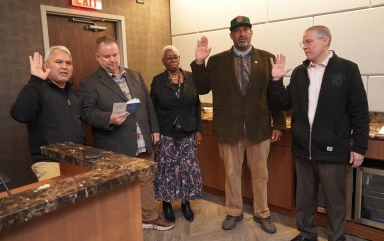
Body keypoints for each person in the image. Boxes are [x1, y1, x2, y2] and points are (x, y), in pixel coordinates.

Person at [270, 25, 370, 241]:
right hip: (303, 148)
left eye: (308, 42)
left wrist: (360, 147)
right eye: (303, 43)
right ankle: (307, 233)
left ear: (325, 41)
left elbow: (359, 111)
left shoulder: (347, 70)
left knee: (334, 199)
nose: (304, 47)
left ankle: (337, 237)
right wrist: (277, 81)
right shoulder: (299, 72)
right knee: (304, 197)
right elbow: (285, 103)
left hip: (332, 148)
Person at [190, 16, 286, 234]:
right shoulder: (216, 61)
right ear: (231, 35)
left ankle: (263, 212)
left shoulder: (267, 58)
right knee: (231, 174)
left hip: (259, 128)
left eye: (246, 29)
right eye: (237, 30)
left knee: (261, 175)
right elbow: (202, 88)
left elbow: (274, 96)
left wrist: (278, 123)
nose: (242, 34)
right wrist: (198, 63)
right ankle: (234, 211)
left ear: (251, 33)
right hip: (229, 128)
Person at [78, 36, 174, 231]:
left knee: (146, 179)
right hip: (115, 142)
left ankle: (149, 217)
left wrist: (154, 129)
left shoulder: (135, 75)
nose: (112, 60)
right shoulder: (89, 83)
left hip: (142, 138)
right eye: (106, 56)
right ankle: (122, 223)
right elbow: (86, 113)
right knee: (119, 186)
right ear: (98, 57)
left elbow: (148, 104)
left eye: (115, 55)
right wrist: (109, 118)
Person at [10, 46, 86, 181]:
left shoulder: (75, 95)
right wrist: (35, 79)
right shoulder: (37, 89)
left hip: (78, 161)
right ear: (46, 65)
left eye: (68, 63)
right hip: (50, 163)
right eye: (58, 62)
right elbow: (20, 115)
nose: (64, 67)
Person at [150, 45, 203, 223]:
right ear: (163, 61)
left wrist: (199, 130)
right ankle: (167, 203)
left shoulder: (190, 77)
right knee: (167, 171)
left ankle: (185, 202)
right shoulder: (157, 81)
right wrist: (155, 132)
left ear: (179, 59)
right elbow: (153, 109)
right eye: (169, 58)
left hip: (188, 132)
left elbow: (196, 105)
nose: (173, 60)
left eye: (175, 57)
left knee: (187, 170)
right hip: (167, 133)